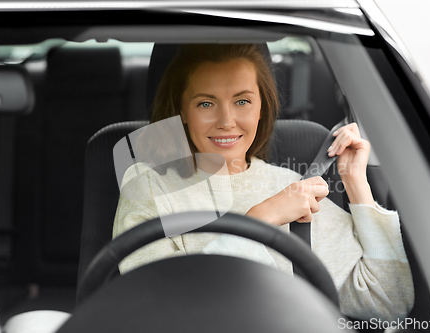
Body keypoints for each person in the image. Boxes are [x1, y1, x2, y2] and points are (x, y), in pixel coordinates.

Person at [112, 44, 414, 322]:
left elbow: (387, 301)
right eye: (206, 104)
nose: (227, 120)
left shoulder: (293, 187)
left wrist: (355, 183)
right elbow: (158, 311)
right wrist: (261, 219)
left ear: (261, 109)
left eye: (242, 101)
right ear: (183, 113)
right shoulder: (149, 189)